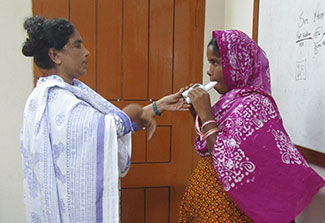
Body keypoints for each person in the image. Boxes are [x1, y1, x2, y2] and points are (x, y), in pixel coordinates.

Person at [20, 16, 189, 223]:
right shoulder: (60, 100)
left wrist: (158, 106)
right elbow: (106, 127)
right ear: (55, 55)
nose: (86, 52)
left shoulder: (46, 96)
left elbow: (107, 126)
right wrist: (136, 110)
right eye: (77, 45)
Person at [179, 30, 325, 223]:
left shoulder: (255, 104)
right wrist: (197, 112)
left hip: (233, 209)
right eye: (209, 63)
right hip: (210, 201)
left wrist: (206, 114)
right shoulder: (229, 101)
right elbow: (213, 137)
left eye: (215, 62)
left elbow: (227, 158)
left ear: (236, 65)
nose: (209, 71)